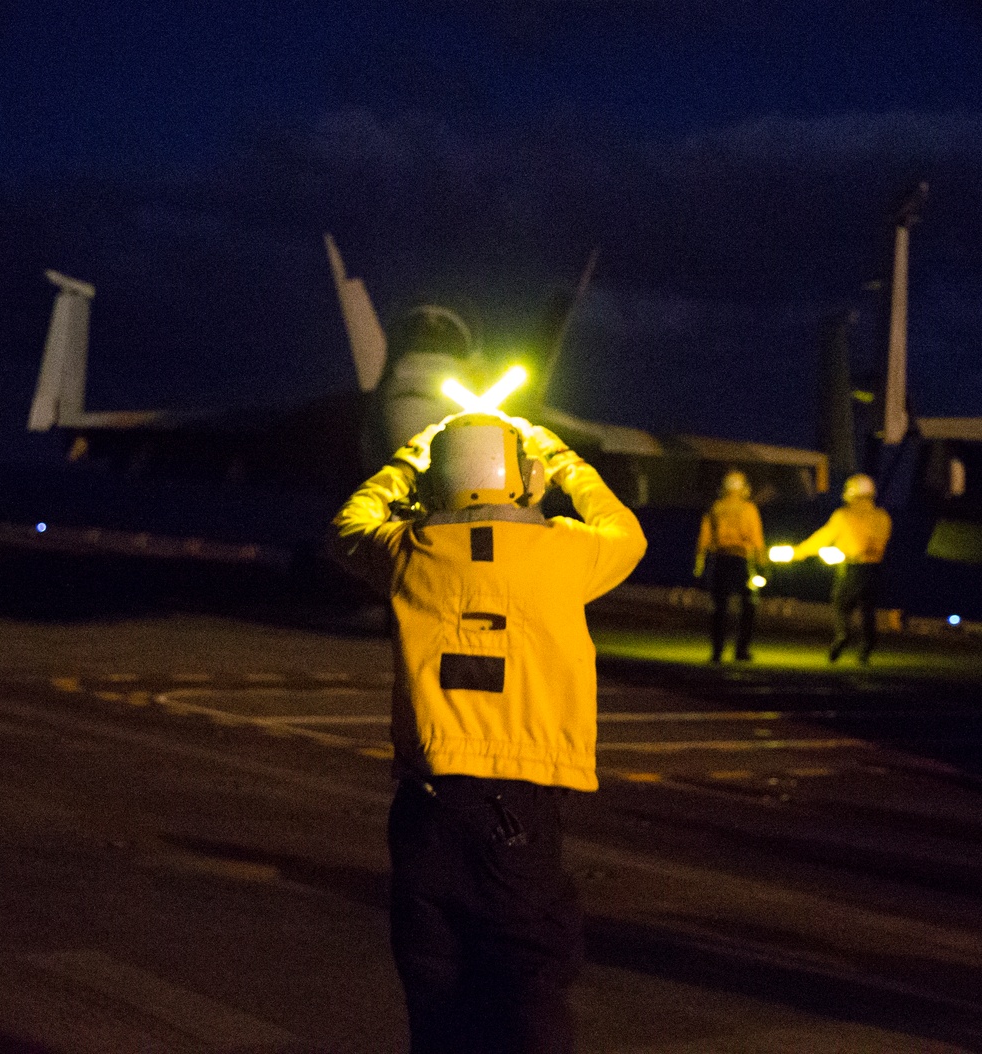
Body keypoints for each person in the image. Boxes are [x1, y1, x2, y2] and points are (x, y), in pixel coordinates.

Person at [327, 410, 646, 1054]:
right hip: (519, 807)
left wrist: (410, 453)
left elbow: (350, 523)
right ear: (521, 478)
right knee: (528, 983)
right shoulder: (563, 552)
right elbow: (626, 532)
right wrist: (560, 456)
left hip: (427, 806)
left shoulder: (410, 551)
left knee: (435, 986)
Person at [793, 473, 892, 663]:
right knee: (868, 610)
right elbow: (881, 543)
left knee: (840, 604)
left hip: (851, 568)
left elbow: (822, 538)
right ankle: (866, 649)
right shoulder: (882, 517)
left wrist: (798, 552)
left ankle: (843, 635)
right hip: (875, 570)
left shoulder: (843, 515)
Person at [694, 470, 766, 663]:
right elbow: (757, 538)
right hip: (742, 561)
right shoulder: (749, 508)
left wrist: (699, 563)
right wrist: (763, 564)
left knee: (719, 608)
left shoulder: (716, 507)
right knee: (749, 606)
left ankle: (717, 652)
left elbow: (704, 537)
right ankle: (741, 650)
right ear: (743, 487)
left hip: (720, 560)